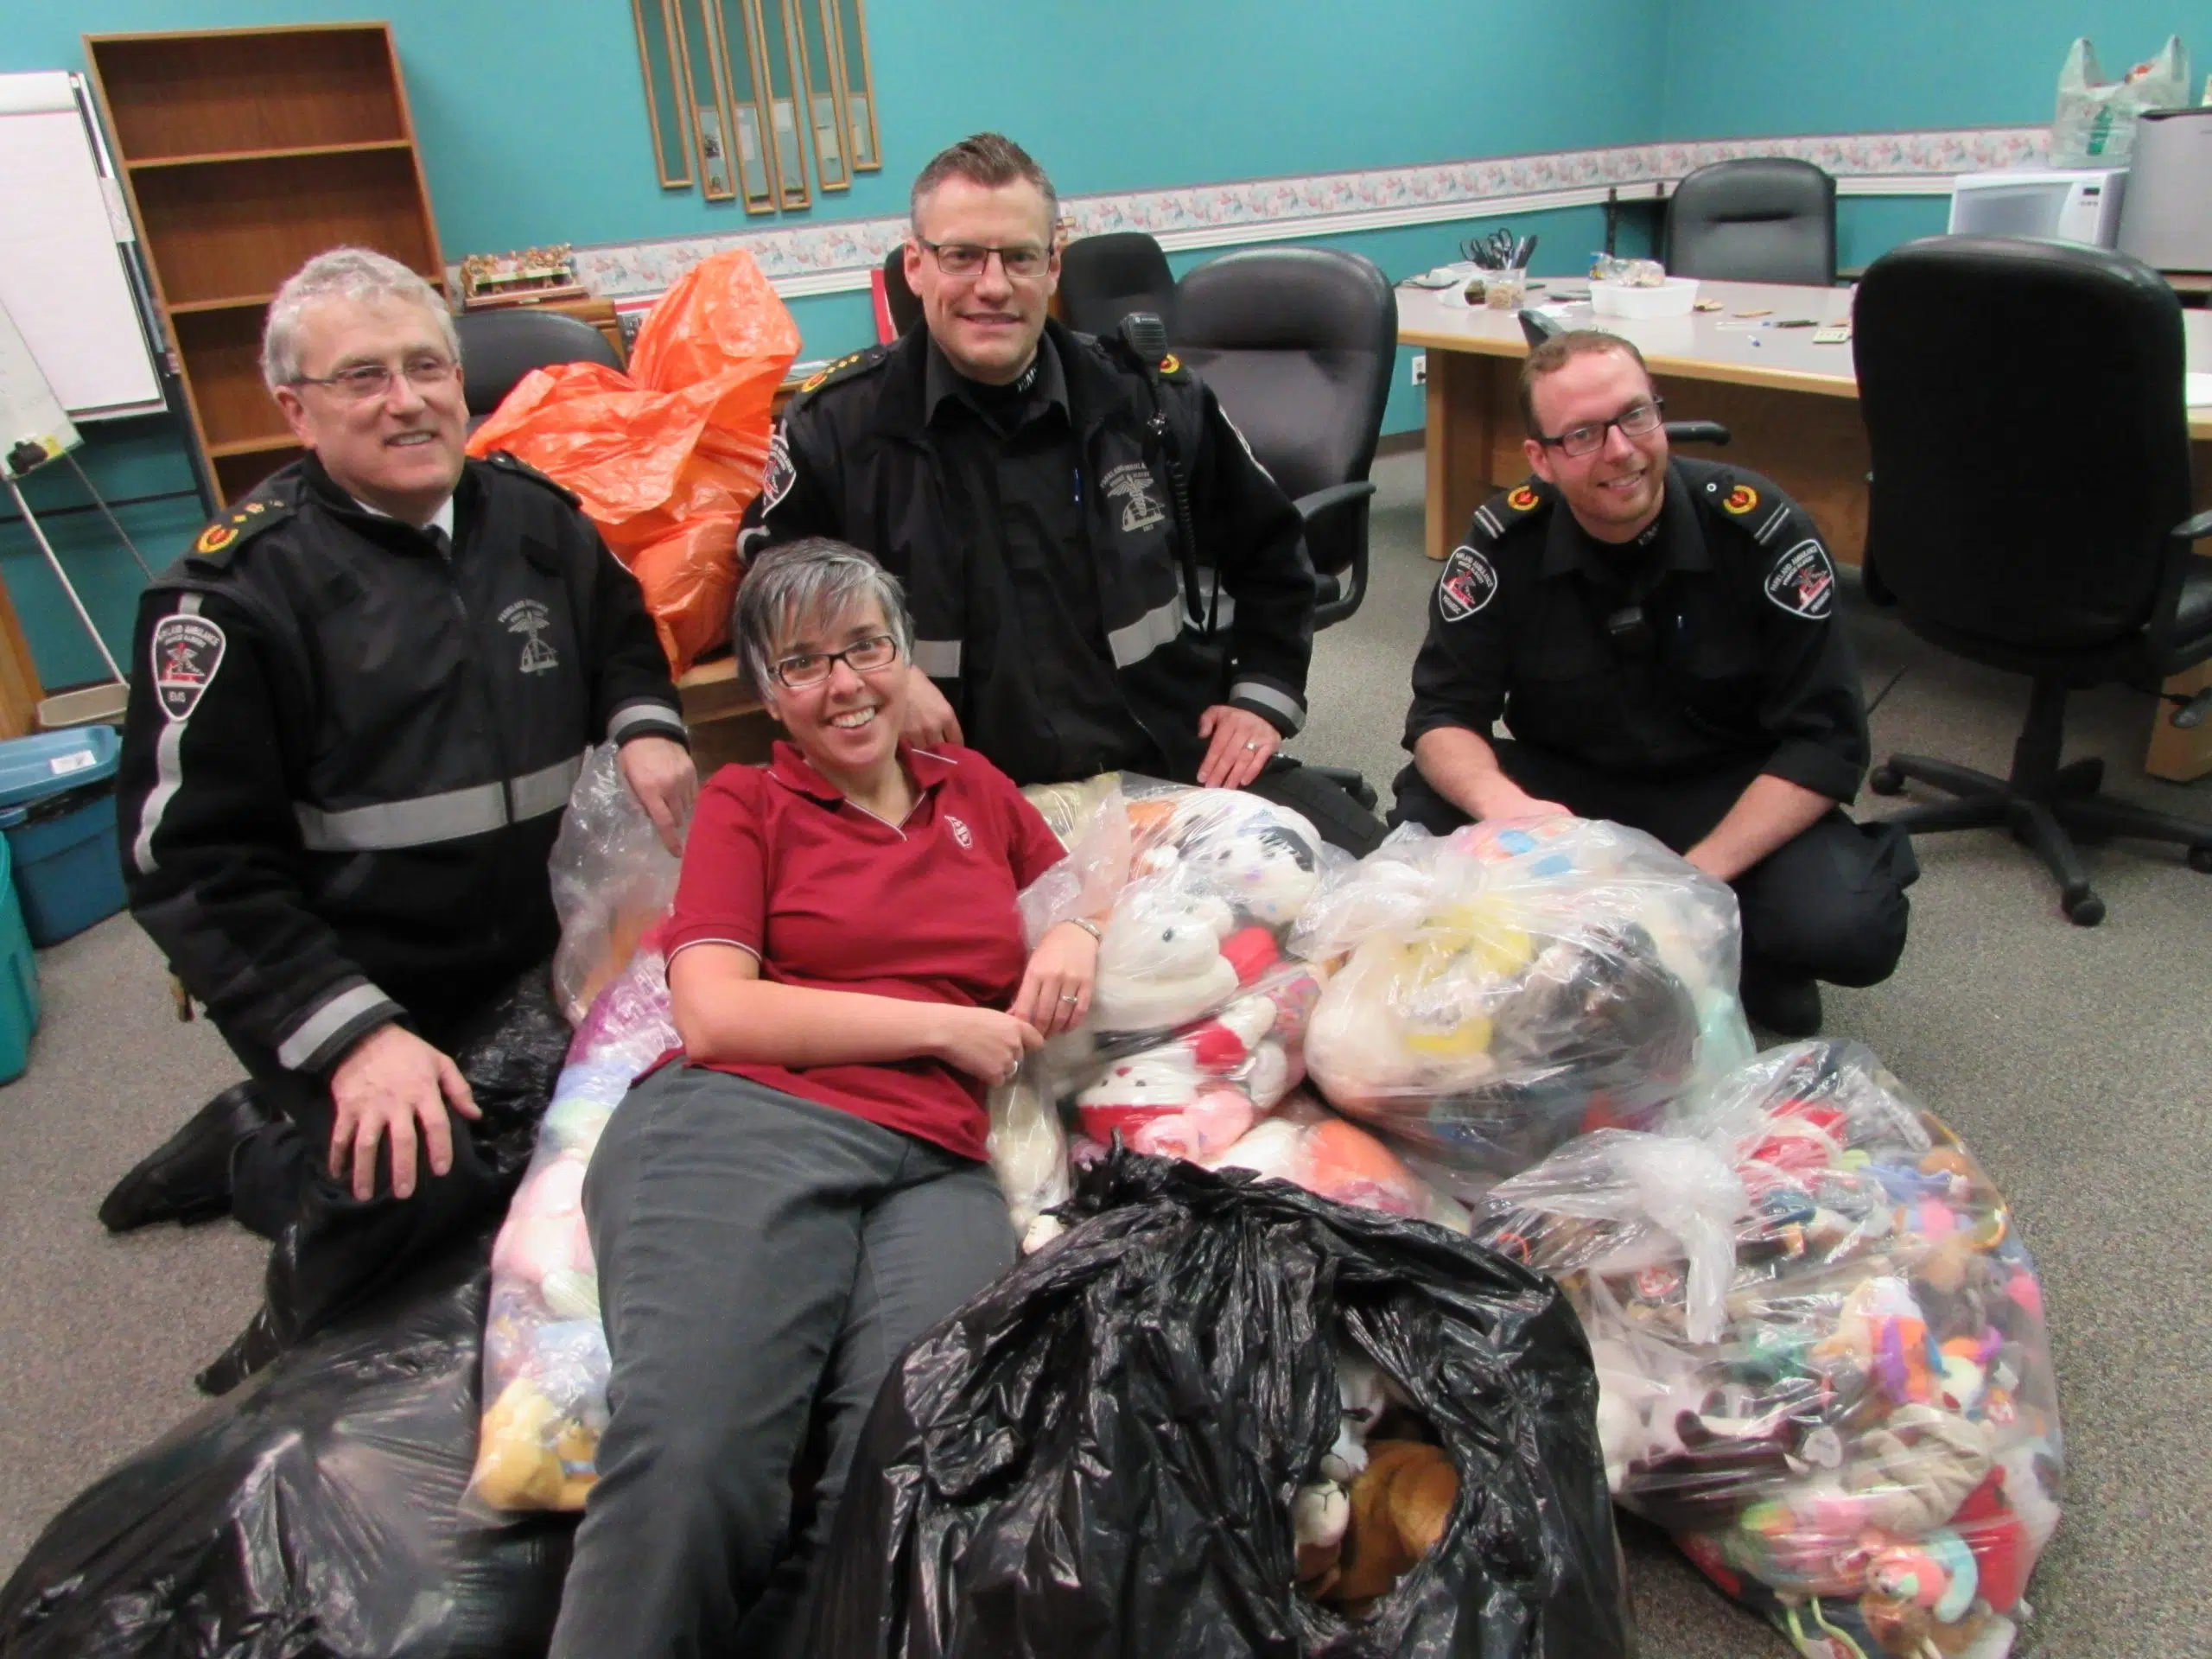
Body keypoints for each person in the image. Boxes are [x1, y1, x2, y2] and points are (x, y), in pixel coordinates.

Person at [112, 247, 697, 1390]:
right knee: (414, 1183)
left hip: (535, 953)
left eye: (427, 366)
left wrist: (642, 722)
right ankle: (290, 1287)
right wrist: (352, 1039)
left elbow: (623, 637)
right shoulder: (233, 595)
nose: (408, 399)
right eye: (362, 377)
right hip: (362, 981)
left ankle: (269, 1134)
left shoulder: (533, 522)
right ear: (295, 406)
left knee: (611, 1152)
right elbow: (187, 866)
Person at [546, 538, 1089, 1658]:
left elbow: (1075, 876)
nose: (843, 684)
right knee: (699, 1454)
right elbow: (716, 1014)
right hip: (744, 1119)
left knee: (917, 1462)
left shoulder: (974, 790)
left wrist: (1075, 930)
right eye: (802, 664)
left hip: (933, 1167)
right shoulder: (749, 804)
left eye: (865, 647)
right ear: (766, 696)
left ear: (903, 658)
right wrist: (943, 1025)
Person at [740, 131, 1385, 855]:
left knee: (1378, 878)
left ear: (1052, 266)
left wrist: (1261, 701)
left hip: (1165, 766)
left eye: (1019, 257)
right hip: (949, 801)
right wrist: (876, 674)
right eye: (963, 256)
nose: (993, 285)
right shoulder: (839, 426)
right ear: (916, 267)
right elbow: (770, 586)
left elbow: (1274, 554)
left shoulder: (1149, 400)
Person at [1390, 329, 1915, 1035]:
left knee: (1846, 927)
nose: (1621, 451)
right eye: (1581, 435)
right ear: (1540, 460)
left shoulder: (1761, 532)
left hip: (1726, 793)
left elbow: (1825, 742)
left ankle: (1735, 951)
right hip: (1568, 794)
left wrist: (1687, 884)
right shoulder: (1500, 545)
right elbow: (1444, 714)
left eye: (1636, 415)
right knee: (1424, 817)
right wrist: (1509, 811)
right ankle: (1580, 950)